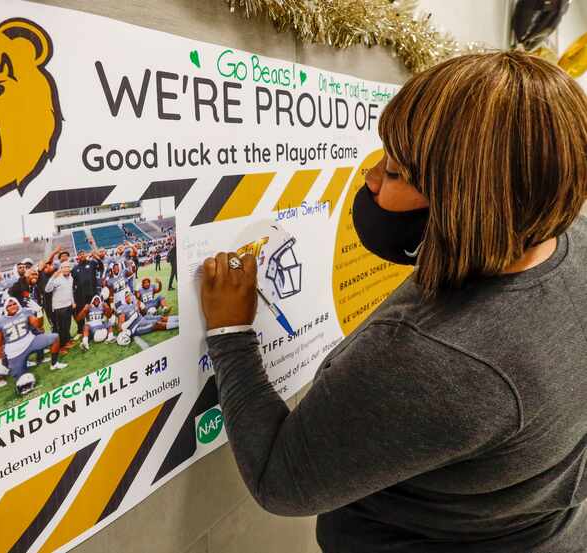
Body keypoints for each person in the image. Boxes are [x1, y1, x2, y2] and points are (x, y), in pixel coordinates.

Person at [199, 52, 587, 553]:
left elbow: (280, 479)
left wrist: (230, 334)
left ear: (463, 201)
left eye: (398, 173)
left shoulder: (438, 360)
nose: (372, 180)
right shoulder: (565, 232)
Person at [0, 297, 65, 394]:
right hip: (14, 352)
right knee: (22, 382)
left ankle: (54, 364)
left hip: (30, 341)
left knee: (54, 338)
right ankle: (8, 374)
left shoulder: (25, 312)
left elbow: (38, 326)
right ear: (5, 308)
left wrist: (39, 312)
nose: (13, 307)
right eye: (9, 305)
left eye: (14, 304)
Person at [45, 263, 75, 353]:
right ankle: (60, 347)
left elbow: (70, 291)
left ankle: (66, 342)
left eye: (67, 267)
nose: (66, 269)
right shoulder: (57, 279)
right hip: (59, 307)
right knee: (60, 328)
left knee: (67, 326)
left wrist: (73, 302)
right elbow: (47, 289)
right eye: (64, 267)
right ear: (61, 269)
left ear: (70, 269)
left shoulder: (71, 278)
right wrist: (53, 277)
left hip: (68, 305)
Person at [71, 250, 100, 332]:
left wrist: (96, 257)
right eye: (80, 255)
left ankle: (95, 324)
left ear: (86, 254)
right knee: (82, 311)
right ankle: (80, 329)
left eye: (83, 254)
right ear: (78, 257)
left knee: (94, 309)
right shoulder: (75, 268)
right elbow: (72, 282)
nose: (82, 256)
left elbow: (101, 267)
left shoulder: (92, 263)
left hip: (93, 292)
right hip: (81, 295)